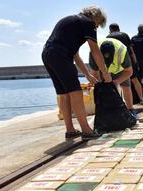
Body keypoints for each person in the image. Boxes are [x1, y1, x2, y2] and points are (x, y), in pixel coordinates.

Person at [42, 5, 111, 140]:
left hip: (48, 54)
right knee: (76, 92)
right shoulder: (87, 23)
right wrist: (105, 73)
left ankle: (70, 130)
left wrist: (87, 74)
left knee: (63, 94)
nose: (96, 27)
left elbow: (75, 55)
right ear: (95, 18)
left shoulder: (71, 21)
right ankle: (86, 130)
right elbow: (95, 50)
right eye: (97, 24)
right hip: (60, 55)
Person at [88, 38, 136, 117]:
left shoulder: (122, 51)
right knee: (103, 89)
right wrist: (101, 84)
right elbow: (95, 72)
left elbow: (129, 71)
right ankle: (107, 111)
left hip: (120, 70)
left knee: (126, 86)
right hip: (102, 71)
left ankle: (130, 109)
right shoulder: (94, 52)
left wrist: (117, 81)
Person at [107, 23, 143, 108]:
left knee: (117, 82)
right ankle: (141, 99)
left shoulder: (108, 37)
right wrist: (135, 61)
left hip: (115, 63)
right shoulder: (124, 35)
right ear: (118, 28)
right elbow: (131, 49)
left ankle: (120, 103)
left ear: (110, 29)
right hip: (127, 60)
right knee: (134, 80)